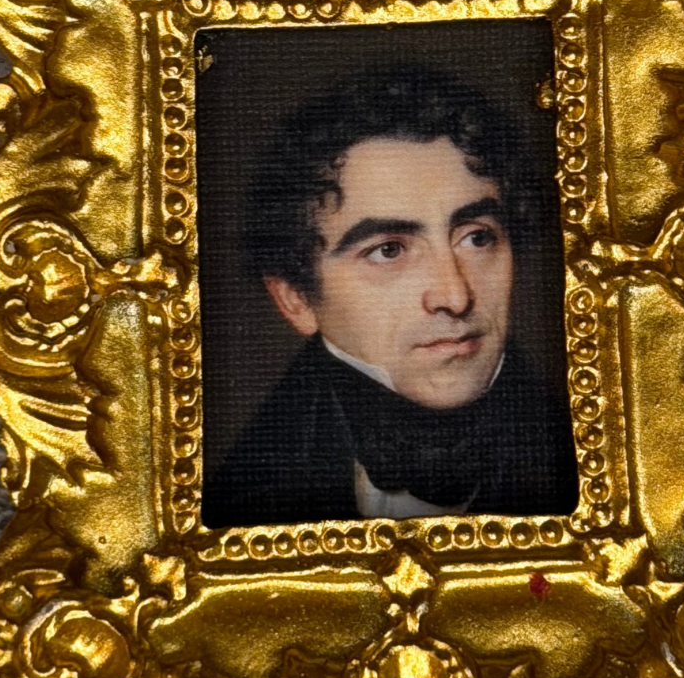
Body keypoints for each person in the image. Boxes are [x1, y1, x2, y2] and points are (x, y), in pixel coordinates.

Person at [203, 64, 578, 526]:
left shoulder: (585, 452)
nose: (454, 296)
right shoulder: (241, 494)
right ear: (297, 298)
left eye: (476, 237)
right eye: (389, 250)